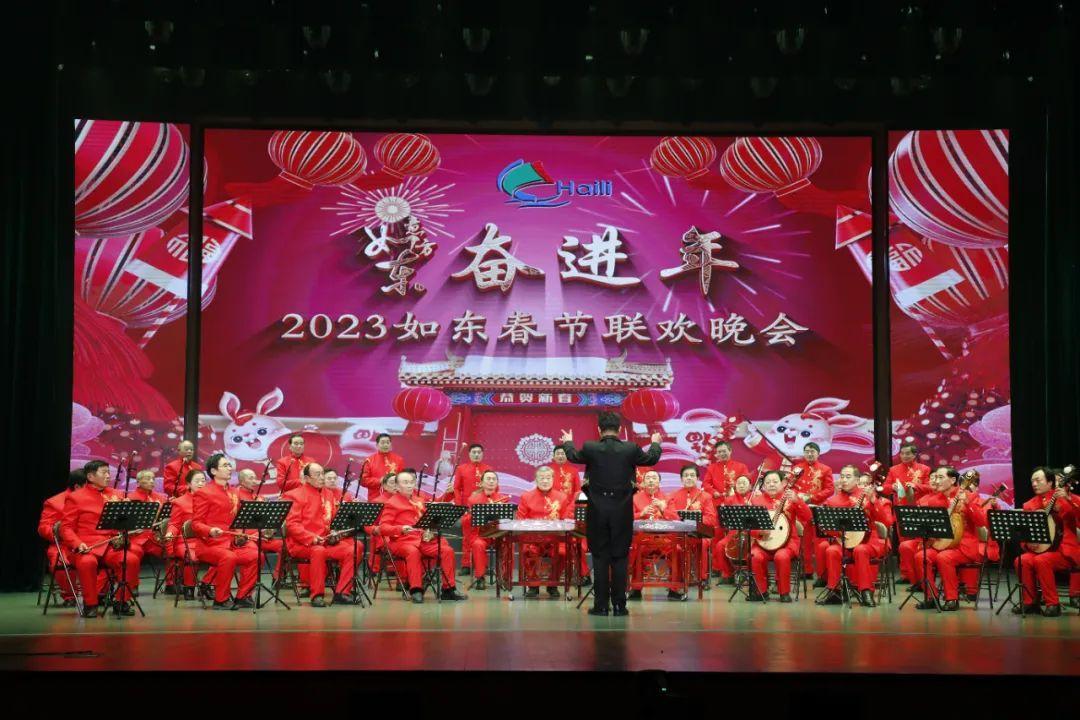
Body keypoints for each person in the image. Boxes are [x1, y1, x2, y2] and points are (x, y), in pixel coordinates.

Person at [560, 412, 662, 617]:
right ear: (620, 429)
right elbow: (651, 458)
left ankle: (600, 606)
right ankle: (619, 606)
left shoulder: (590, 447)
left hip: (597, 512)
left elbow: (573, 456)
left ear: (599, 429)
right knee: (620, 557)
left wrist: (568, 442)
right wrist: (655, 443)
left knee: (600, 558)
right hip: (622, 512)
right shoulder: (630, 448)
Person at [60, 460, 144, 617]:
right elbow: (66, 528)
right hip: (86, 546)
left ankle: (121, 602)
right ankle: (90, 604)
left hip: (111, 545)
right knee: (87, 562)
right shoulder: (75, 497)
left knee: (131, 560)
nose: (108, 476)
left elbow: (122, 524)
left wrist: (127, 514)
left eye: (108, 472)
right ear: (90, 476)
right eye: (104, 472)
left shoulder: (117, 494)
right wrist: (78, 543)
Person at [379, 469, 468, 603]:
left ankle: (448, 589)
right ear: (397, 486)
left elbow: (428, 519)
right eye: (405, 482)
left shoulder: (419, 500)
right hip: (402, 541)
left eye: (411, 482)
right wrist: (400, 528)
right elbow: (383, 527)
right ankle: (416, 589)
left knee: (446, 551)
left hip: (422, 540)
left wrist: (429, 529)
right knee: (413, 552)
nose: (410, 485)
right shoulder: (392, 503)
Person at [909, 466, 986, 611]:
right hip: (941, 544)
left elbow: (981, 522)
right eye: (935, 477)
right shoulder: (934, 500)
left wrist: (968, 503)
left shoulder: (970, 496)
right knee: (921, 557)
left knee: (944, 557)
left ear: (952, 480)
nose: (936, 481)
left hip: (963, 546)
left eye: (940, 477)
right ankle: (931, 597)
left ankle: (952, 599)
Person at [283, 462, 360, 607]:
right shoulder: (293, 495)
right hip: (302, 544)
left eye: (322, 474)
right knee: (318, 551)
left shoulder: (328, 494)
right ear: (307, 478)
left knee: (355, 548)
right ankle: (317, 595)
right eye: (317, 474)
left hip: (325, 542)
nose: (322, 477)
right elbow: (292, 525)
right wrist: (311, 538)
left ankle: (342, 592)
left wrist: (335, 532)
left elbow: (332, 520)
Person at [192, 454, 260, 610]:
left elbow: (236, 520)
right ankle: (220, 600)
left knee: (256, 555)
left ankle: (243, 596)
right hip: (209, 545)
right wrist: (210, 530)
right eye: (225, 465)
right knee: (228, 557)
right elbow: (196, 524)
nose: (230, 468)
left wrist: (240, 534)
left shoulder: (234, 492)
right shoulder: (204, 492)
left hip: (230, 543)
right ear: (214, 471)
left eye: (229, 465)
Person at [814, 465, 884, 607]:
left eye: (848, 476)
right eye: (842, 476)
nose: (844, 480)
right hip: (844, 542)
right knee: (832, 550)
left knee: (860, 550)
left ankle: (866, 591)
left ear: (857, 480)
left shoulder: (867, 496)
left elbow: (884, 520)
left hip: (868, 542)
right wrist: (838, 533)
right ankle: (835, 591)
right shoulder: (833, 501)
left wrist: (873, 501)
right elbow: (825, 526)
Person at [1013, 467, 1077, 617]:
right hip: (1040, 550)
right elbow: (1024, 533)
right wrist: (1027, 543)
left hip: (1063, 551)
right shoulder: (1029, 505)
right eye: (1032, 481)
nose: (1034, 484)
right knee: (1021, 560)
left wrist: (1068, 500)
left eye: (1038, 480)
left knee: (1042, 560)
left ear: (1050, 483)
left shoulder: (1064, 498)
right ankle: (1030, 602)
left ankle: (1053, 604)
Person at [748, 470, 811, 603]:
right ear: (763, 486)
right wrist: (759, 532)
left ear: (783, 483)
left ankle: (784, 592)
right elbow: (750, 526)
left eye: (775, 481)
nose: (771, 484)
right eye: (768, 482)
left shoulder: (791, 498)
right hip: (764, 542)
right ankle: (761, 591)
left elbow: (808, 517)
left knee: (781, 556)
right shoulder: (756, 501)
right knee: (755, 555)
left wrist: (797, 501)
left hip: (788, 542)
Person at [516, 466, 573, 598]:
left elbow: (566, 520)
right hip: (533, 539)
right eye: (542, 478)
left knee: (562, 553)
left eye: (548, 478)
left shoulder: (562, 497)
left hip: (555, 539)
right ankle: (533, 585)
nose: (545, 481)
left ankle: (553, 584)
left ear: (553, 479)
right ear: (536, 480)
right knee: (528, 551)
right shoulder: (526, 497)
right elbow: (520, 520)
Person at [629, 469, 683, 601]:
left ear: (659, 482)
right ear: (643, 482)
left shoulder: (667, 498)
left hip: (665, 540)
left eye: (654, 478)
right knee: (634, 550)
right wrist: (641, 514)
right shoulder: (635, 498)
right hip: (643, 540)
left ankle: (674, 589)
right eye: (648, 478)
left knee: (677, 550)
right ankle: (636, 589)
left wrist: (663, 508)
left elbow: (676, 518)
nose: (651, 480)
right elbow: (626, 518)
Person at [38, 470, 86, 607]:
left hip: (91, 542)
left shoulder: (98, 498)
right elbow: (43, 528)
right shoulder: (54, 502)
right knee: (60, 562)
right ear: (77, 487)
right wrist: (59, 531)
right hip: (64, 545)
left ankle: (101, 594)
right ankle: (70, 596)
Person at [669, 464, 719, 590]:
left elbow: (711, 519)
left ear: (697, 478)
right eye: (686, 475)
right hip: (679, 533)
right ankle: (676, 577)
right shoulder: (673, 495)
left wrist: (695, 519)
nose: (689, 478)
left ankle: (702, 578)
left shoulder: (705, 496)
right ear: (681, 479)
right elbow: (670, 515)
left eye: (692, 475)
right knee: (673, 544)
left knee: (703, 543)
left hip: (699, 534)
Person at [164, 469, 209, 599]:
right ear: (188, 484)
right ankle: (189, 587)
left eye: (203, 481)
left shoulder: (210, 500)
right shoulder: (180, 502)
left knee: (225, 554)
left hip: (206, 539)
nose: (201, 483)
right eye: (197, 481)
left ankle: (207, 584)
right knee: (192, 556)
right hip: (185, 541)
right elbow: (174, 524)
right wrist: (169, 534)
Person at [791, 442, 833, 579]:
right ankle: (807, 571)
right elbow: (791, 487)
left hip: (818, 509)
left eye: (812, 451)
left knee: (819, 542)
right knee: (804, 541)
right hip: (800, 509)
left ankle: (822, 574)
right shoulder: (797, 469)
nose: (809, 454)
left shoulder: (825, 469)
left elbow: (830, 489)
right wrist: (798, 497)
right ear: (804, 453)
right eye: (807, 451)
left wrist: (812, 498)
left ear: (818, 453)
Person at [464, 470, 510, 590]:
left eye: (494, 479)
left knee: (508, 543)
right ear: (481, 483)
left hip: (498, 534)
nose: (491, 481)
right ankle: (480, 578)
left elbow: (507, 520)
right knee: (478, 544)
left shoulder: (503, 499)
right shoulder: (473, 499)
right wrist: (474, 515)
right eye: (488, 479)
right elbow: (466, 520)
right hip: (480, 534)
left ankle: (504, 576)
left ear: (497, 483)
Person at [712, 474, 753, 583]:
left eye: (744, 483)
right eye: (739, 483)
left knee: (751, 547)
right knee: (720, 546)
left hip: (751, 534)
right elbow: (723, 519)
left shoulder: (754, 498)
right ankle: (728, 573)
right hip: (733, 533)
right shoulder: (729, 499)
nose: (741, 485)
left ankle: (750, 574)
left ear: (750, 486)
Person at [359, 434, 406, 500]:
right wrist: (380, 481)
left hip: (395, 499)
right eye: (383, 442)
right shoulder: (369, 460)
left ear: (390, 444)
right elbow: (363, 481)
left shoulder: (399, 460)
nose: (385, 445)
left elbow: (403, 479)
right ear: (377, 445)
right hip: (375, 498)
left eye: (388, 442)